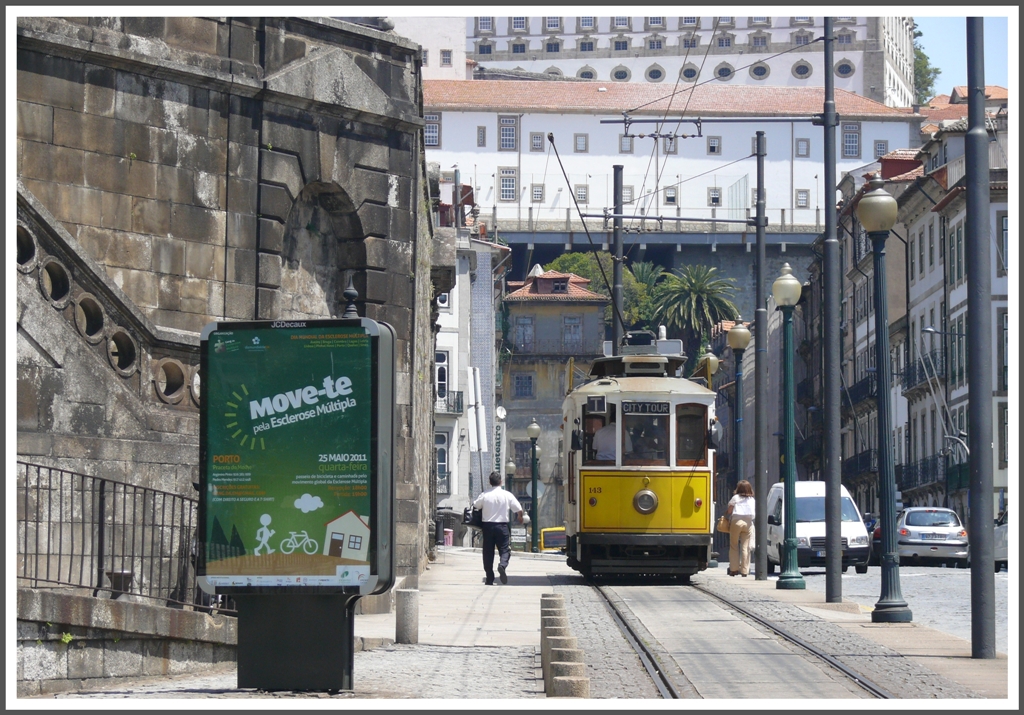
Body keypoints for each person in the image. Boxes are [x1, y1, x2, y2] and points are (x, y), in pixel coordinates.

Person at [472, 471, 525, 585]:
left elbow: (476, 505)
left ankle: (489, 578)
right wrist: (520, 517)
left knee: (488, 553)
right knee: (505, 549)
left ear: (490, 482)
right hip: (502, 526)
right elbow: (518, 508)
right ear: (501, 482)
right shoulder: (507, 495)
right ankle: (502, 565)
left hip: (488, 526)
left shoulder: (485, 494)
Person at [726, 480, 755, 577]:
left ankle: (734, 569)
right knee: (745, 547)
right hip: (748, 523)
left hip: (737, 522)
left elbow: (729, 511)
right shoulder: (752, 500)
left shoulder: (735, 498)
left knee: (734, 545)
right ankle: (744, 571)